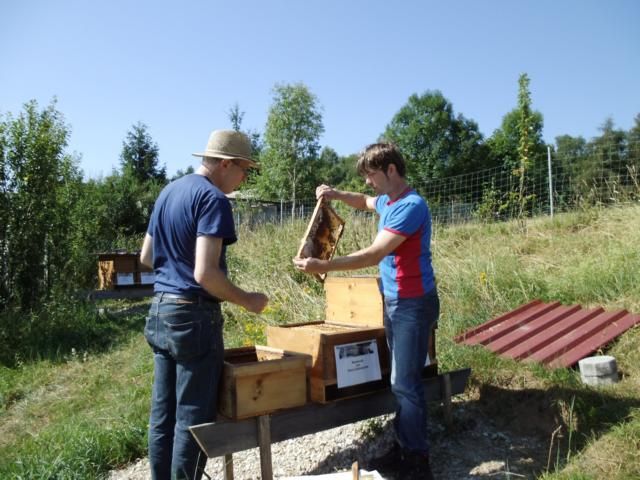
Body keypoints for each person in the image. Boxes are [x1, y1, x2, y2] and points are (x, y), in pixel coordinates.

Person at [293, 142, 438, 480]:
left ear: (391, 170)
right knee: (401, 381)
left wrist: (324, 265)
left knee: (404, 382)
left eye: (371, 175)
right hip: (395, 299)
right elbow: (364, 201)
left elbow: (374, 254)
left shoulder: (411, 206)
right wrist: (335, 194)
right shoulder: (388, 199)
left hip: (412, 303)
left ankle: (417, 462)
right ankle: (405, 446)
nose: (368, 183)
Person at [140, 129, 269, 480]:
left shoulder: (168, 192)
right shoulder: (213, 199)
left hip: (160, 310)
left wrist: (175, 267)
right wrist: (248, 300)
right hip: (194, 316)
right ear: (226, 164)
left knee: (163, 416)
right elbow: (206, 274)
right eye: (244, 170)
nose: (244, 179)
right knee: (193, 418)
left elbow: (147, 257)